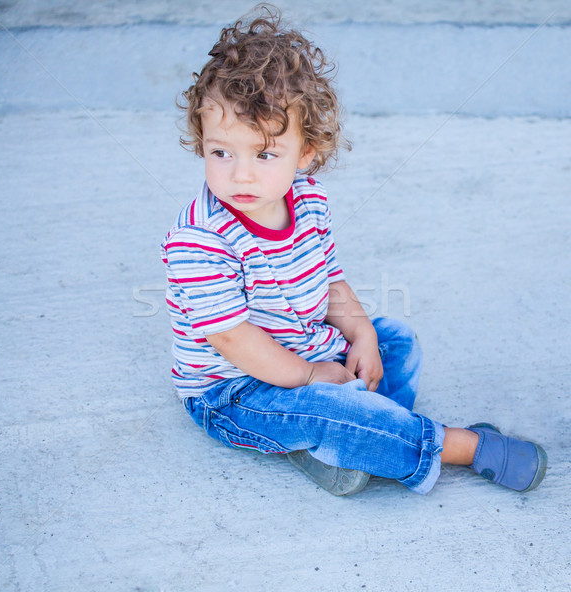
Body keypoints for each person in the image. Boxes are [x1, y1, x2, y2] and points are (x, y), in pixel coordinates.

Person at [160, 4, 547, 496]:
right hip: (236, 391)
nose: (241, 173)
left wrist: (361, 335)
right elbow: (234, 339)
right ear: (201, 141)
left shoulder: (309, 199)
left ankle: (358, 442)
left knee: (397, 342)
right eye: (221, 152)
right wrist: (308, 375)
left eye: (264, 154)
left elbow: (328, 280)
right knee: (333, 410)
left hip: (305, 348)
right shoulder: (200, 239)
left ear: (305, 154)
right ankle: (462, 447)